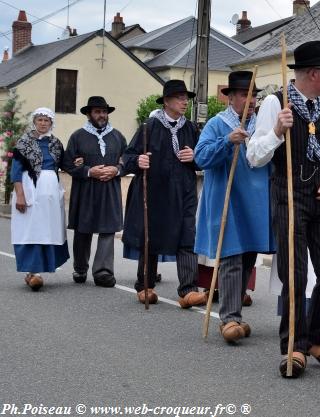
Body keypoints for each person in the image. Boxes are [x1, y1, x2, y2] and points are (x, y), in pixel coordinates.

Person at [247, 40, 320, 378]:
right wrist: (277, 131)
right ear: (313, 73)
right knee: (296, 274)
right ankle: (294, 345)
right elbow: (254, 156)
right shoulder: (275, 103)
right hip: (289, 196)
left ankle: (318, 339)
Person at [194, 70, 275, 343]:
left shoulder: (262, 125)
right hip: (227, 201)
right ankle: (228, 318)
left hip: (255, 203)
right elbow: (201, 157)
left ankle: (235, 313)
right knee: (230, 257)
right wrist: (227, 142)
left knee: (248, 258)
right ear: (231, 98)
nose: (251, 101)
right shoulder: (218, 124)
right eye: (244, 95)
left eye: (254, 95)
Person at [122, 80, 206, 308]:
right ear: (167, 101)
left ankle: (188, 290)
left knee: (188, 236)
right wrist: (138, 161)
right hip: (156, 191)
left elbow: (204, 158)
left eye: (185, 98)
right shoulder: (149, 126)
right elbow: (127, 158)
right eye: (179, 98)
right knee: (151, 237)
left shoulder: (191, 128)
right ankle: (145, 285)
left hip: (184, 191)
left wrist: (195, 159)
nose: (184, 102)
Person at [63, 96, 127, 288]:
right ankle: (80, 267)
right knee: (84, 230)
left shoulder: (118, 136)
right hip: (86, 190)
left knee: (108, 230)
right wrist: (89, 171)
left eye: (104, 112)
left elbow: (127, 160)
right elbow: (66, 163)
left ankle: (103, 272)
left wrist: (117, 170)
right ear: (89, 114)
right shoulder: (77, 136)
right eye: (98, 112)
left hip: (110, 189)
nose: (102, 115)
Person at [10, 107, 69, 290]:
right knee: (31, 229)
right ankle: (33, 271)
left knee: (48, 230)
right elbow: (16, 171)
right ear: (34, 122)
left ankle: (40, 270)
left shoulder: (56, 143)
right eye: (40, 120)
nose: (43, 123)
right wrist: (20, 194)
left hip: (51, 191)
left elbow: (64, 165)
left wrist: (78, 162)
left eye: (46, 120)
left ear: (51, 123)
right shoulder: (24, 142)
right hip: (30, 189)